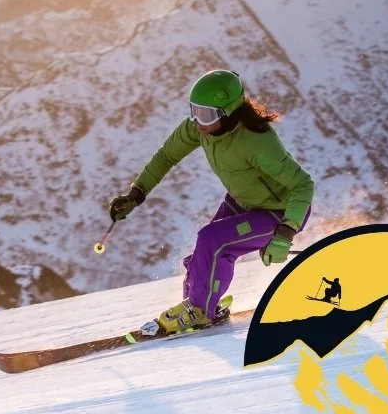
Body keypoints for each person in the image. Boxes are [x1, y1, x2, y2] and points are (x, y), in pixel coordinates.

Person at [108, 69, 315, 333]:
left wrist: (286, 232)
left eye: (204, 114)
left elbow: (303, 185)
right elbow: (165, 157)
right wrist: (136, 194)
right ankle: (198, 304)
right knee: (201, 259)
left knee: (211, 239)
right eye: (193, 110)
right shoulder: (200, 129)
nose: (196, 121)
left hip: (279, 212)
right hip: (243, 202)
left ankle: (200, 310)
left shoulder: (257, 141)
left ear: (227, 113)